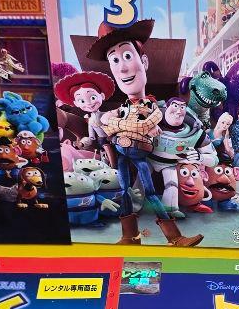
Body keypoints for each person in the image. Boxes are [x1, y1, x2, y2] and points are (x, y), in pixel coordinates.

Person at [86, 19, 203, 247]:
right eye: (114, 60)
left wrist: (120, 126)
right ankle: (130, 236)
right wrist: (119, 125)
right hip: (122, 155)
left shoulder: (153, 106)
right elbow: (107, 127)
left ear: (144, 62)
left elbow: (146, 124)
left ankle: (175, 237)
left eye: (127, 56)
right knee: (124, 191)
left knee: (150, 192)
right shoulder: (120, 108)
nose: (122, 68)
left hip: (141, 156)